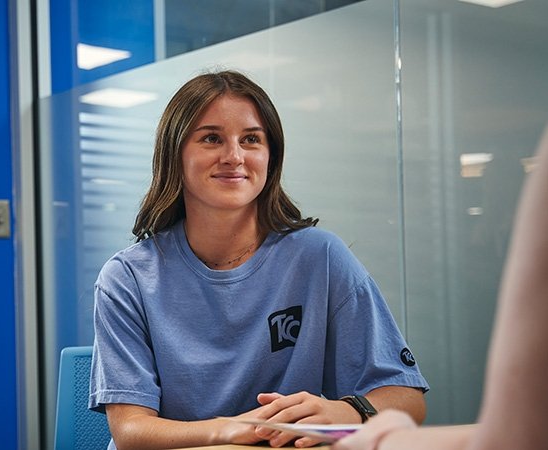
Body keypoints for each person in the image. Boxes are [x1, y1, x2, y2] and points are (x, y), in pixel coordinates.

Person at [89, 69, 429, 450]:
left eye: (251, 139)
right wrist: (232, 428)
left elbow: (407, 399)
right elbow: (131, 431)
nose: (234, 156)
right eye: (211, 138)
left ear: (270, 157)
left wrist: (348, 411)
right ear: (175, 154)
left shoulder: (322, 258)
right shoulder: (127, 277)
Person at [333, 125, 548, 450]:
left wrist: (386, 438)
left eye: (251, 139)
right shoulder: (481, 231)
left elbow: (515, 437)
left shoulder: (324, 255)